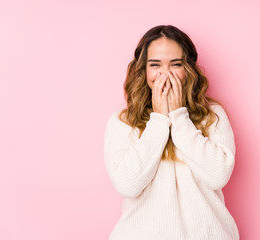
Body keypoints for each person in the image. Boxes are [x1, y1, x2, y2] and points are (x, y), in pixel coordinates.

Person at [103, 25, 240, 240]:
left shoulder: (212, 115)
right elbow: (127, 184)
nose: (165, 74)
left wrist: (179, 117)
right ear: (144, 70)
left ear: (189, 69)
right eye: (155, 65)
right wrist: (158, 120)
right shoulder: (123, 121)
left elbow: (218, 176)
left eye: (176, 64)